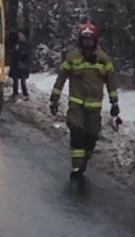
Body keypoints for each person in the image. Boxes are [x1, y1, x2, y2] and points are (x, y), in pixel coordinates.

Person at [49, 22, 120, 180]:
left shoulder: (103, 59)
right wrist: (54, 99)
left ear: (95, 40)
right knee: (77, 132)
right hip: (76, 106)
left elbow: (112, 82)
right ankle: (77, 167)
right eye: (84, 39)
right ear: (80, 40)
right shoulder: (73, 57)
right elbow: (61, 78)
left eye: (90, 39)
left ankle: (84, 161)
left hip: (94, 108)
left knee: (92, 135)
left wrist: (115, 103)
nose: (87, 42)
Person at [10, 30, 31, 100]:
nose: (20, 36)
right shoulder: (15, 43)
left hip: (23, 66)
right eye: (19, 35)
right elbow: (12, 53)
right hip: (15, 65)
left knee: (23, 81)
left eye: (21, 35)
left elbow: (28, 54)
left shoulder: (26, 44)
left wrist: (24, 61)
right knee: (15, 80)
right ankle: (15, 93)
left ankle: (25, 94)